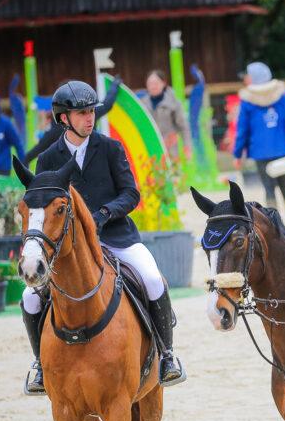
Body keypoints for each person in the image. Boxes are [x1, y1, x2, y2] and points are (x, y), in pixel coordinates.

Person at [20, 80, 185, 395]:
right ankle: (40, 365)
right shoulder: (49, 159)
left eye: (91, 112)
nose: (89, 118)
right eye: (81, 113)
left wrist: (104, 214)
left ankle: (166, 355)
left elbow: (131, 193)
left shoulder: (109, 148)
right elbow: (39, 207)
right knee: (30, 297)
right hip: (67, 249)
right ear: (63, 118)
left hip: (117, 236)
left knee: (152, 279)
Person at [232, 61, 285, 230]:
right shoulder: (280, 94)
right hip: (282, 149)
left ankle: (276, 227)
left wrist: (237, 153)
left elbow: (243, 129)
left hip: (260, 151)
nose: (246, 78)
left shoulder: (247, 99)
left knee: (268, 189)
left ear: (254, 77)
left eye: (248, 74)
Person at [24, 77, 121, 163]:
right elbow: (107, 104)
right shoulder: (58, 127)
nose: (89, 118)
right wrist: (114, 86)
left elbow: (37, 150)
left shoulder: (58, 124)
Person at [139, 70, 191, 163]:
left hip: (171, 150)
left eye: (156, 83)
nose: (153, 86)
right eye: (150, 83)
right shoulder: (142, 104)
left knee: (172, 175)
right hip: (150, 150)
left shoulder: (173, 102)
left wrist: (187, 147)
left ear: (164, 83)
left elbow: (183, 127)